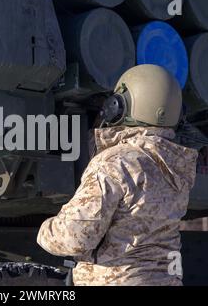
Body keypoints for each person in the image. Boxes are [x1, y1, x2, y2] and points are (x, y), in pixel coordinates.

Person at [37, 64, 198, 286]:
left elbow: (75, 237)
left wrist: (46, 230)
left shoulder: (116, 163)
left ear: (118, 106)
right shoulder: (179, 166)